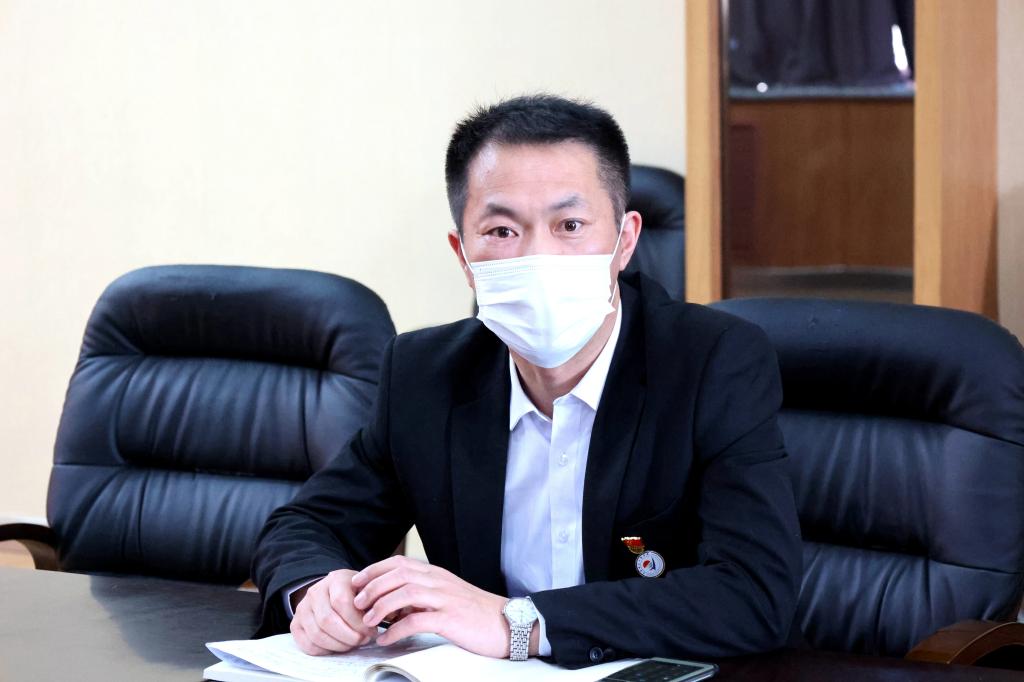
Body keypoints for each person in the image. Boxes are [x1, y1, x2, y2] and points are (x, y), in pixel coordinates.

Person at [251, 94, 802, 668]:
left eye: (570, 225)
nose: (539, 256)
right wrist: (316, 593)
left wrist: (519, 623)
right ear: (464, 256)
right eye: (502, 230)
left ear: (625, 241)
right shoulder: (424, 374)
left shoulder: (714, 363)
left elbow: (754, 592)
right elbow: (306, 525)